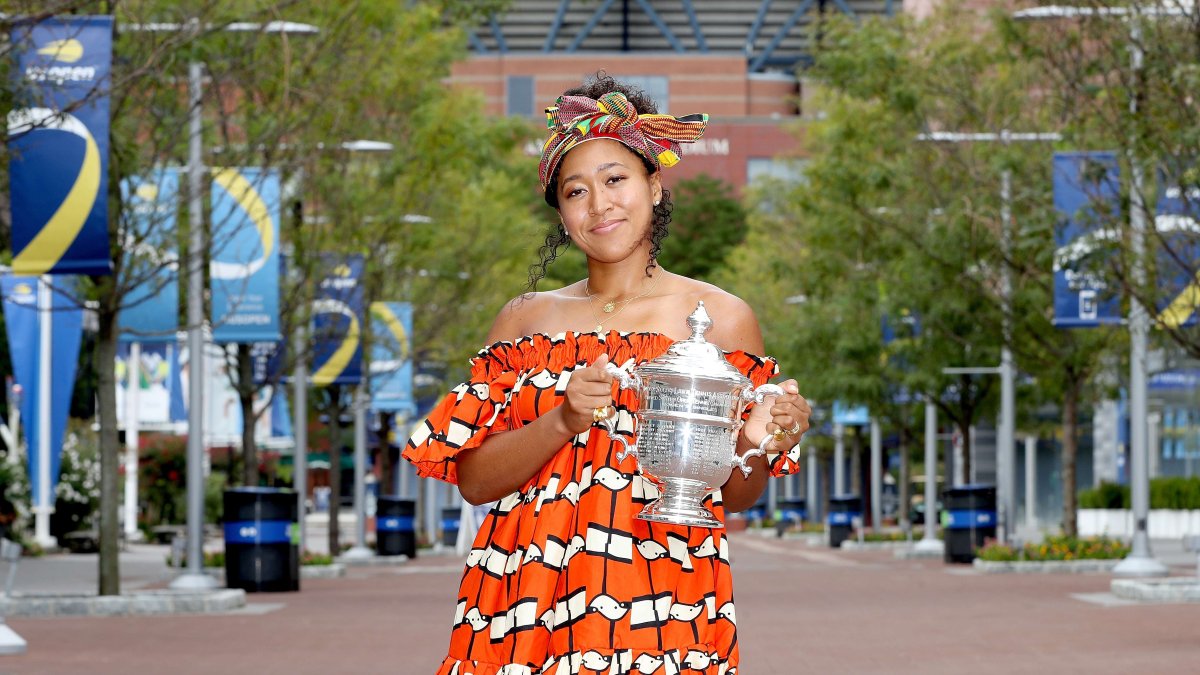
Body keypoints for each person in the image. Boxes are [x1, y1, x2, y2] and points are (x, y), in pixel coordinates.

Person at [403, 74, 812, 675]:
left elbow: (735, 494)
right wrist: (563, 418)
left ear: (654, 185)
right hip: (524, 602)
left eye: (615, 179)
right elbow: (474, 480)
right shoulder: (525, 322)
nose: (599, 205)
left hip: (664, 600)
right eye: (576, 191)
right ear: (560, 209)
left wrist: (763, 437)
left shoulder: (721, 319)